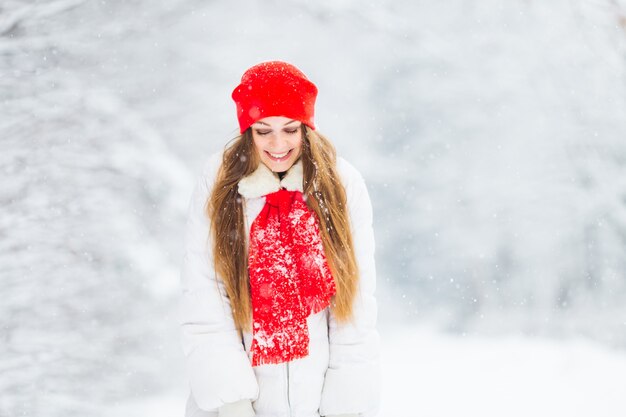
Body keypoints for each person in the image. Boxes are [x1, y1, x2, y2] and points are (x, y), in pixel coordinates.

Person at [179, 61, 380, 417]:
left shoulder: (340, 185)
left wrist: (344, 403)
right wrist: (232, 402)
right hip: (238, 404)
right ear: (247, 131)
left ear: (307, 127)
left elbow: (355, 300)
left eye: (290, 129)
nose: (277, 144)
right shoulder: (219, 185)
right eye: (263, 131)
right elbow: (205, 296)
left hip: (317, 402)